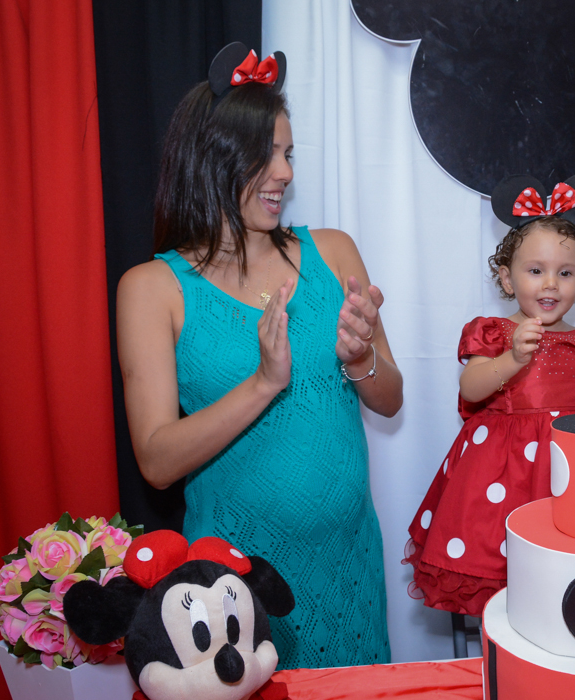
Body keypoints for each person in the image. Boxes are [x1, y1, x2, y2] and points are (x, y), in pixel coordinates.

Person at [116, 44, 402, 668]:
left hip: (347, 562)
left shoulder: (333, 251)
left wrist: (359, 361)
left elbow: (391, 399)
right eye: (265, 154)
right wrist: (264, 382)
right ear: (211, 160)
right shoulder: (152, 289)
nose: (286, 172)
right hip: (236, 584)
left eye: (288, 153)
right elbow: (157, 461)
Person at [405, 209, 575, 618]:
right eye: (536, 270)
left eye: (566, 273)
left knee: (566, 578)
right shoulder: (495, 331)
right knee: (505, 585)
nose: (551, 283)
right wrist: (513, 356)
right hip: (502, 480)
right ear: (506, 277)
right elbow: (470, 387)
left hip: (571, 473)